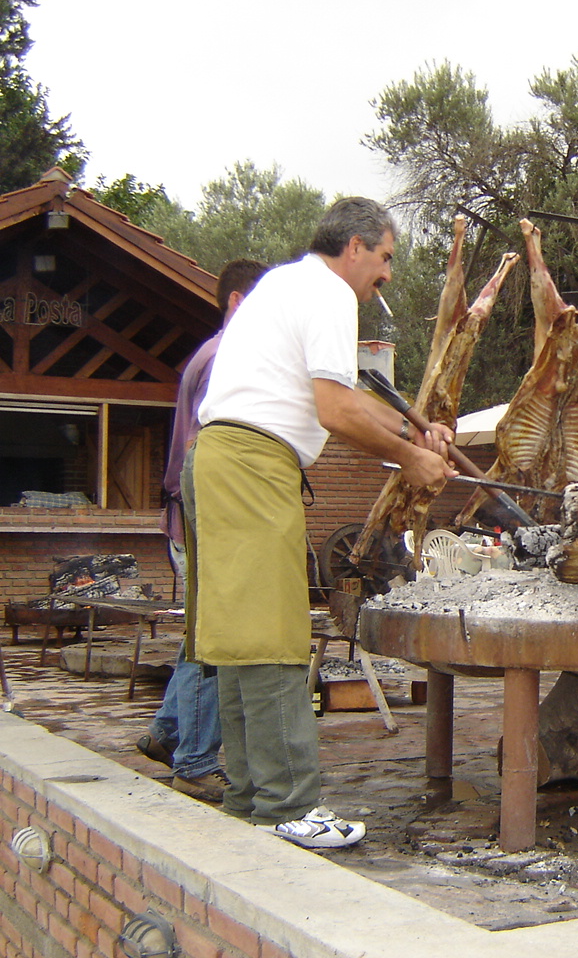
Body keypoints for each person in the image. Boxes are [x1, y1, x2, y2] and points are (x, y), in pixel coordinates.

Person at [184, 197, 456, 849]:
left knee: (239, 635)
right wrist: (412, 458)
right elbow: (334, 409)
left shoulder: (284, 283)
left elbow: (343, 395)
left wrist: (419, 428)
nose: (387, 274)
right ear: (355, 247)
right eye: (386, 257)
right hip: (253, 464)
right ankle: (289, 805)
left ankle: (252, 798)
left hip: (220, 460)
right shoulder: (334, 295)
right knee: (274, 633)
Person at [136, 259, 268, 802]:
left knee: (199, 637)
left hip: (190, 523)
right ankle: (193, 761)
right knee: (211, 644)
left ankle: (166, 732)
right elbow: (204, 454)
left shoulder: (209, 355)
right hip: (202, 525)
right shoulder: (223, 361)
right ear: (237, 302)